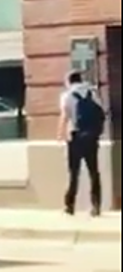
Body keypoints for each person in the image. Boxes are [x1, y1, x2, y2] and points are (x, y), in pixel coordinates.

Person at [56, 71, 106, 216]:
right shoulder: (93, 92)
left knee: (73, 173)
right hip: (91, 137)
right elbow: (101, 112)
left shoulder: (66, 96)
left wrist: (60, 135)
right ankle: (96, 206)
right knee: (94, 172)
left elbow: (64, 116)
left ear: (68, 82)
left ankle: (70, 206)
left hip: (75, 138)